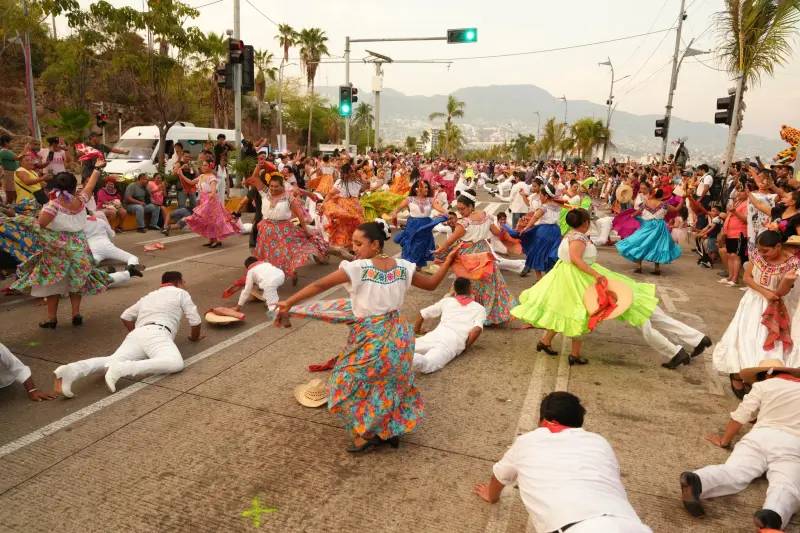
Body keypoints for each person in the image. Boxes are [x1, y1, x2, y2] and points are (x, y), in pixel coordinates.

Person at [275, 220, 459, 453]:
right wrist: (448, 263)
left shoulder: (357, 269)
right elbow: (432, 284)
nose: (354, 248)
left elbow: (320, 285)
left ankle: (367, 436)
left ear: (375, 244)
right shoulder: (403, 267)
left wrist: (289, 301)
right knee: (389, 384)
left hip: (373, 337)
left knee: (343, 382)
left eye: (358, 243)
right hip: (399, 335)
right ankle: (389, 430)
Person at [513, 209, 711, 367]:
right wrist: (596, 275)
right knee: (637, 310)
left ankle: (685, 346)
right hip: (584, 279)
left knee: (638, 310)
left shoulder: (569, 235)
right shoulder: (578, 238)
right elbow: (575, 259)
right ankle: (688, 344)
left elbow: (571, 260)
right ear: (584, 223)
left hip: (576, 279)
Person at [474, 391, 653, 533]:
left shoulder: (527, 441)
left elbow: (501, 476)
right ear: (578, 424)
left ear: (541, 420)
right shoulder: (599, 441)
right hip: (630, 524)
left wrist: (491, 495)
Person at [680, 359, 800, 531]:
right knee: (786, 483)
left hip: (758, 437)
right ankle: (773, 515)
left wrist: (724, 441)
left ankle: (698, 479)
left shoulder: (764, 386)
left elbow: (740, 416)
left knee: (735, 471)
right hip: (792, 443)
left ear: (767, 374)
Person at [53, 271, 203, 397]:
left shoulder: (149, 296)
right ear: (180, 283)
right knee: (175, 363)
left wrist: (138, 334)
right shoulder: (181, 293)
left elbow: (125, 316)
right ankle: (122, 368)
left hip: (138, 334)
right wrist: (194, 338)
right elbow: (195, 321)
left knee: (110, 360)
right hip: (158, 332)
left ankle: (73, 369)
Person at [11, 166, 114, 328]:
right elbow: (91, 185)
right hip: (79, 247)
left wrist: (17, 218)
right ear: (74, 187)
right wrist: (96, 168)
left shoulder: (52, 205)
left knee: (53, 283)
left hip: (57, 249)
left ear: (55, 187)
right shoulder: (81, 200)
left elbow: (41, 225)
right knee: (77, 281)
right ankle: (76, 314)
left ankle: (51, 318)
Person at [712, 230, 800, 399]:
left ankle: (762, 377)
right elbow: (747, 278)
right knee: (747, 338)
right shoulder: (758, 256)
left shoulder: (793, 263)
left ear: (778, 246)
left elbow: (783, 291)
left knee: (771, 344)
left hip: (780, 306)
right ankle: (737, 372)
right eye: (759, 250)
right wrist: (765, 292)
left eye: (765, 251)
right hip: (754, 302)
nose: (761, 254)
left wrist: (782, 286)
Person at [433, 189, 517, 325]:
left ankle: (465, 312)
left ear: (471, 206)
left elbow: (451, 240)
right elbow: (496, 231)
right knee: (487, 284)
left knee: (467, 283)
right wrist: (503, 230)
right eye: (458, 209)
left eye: (462, 209)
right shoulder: (486, 216)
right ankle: (487, 313)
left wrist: (441, 249)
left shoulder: (465, 223)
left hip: (469, 255)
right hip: (484, 252)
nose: (460, 212)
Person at [253, 174, 328, 285]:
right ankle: (266, 279)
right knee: (265, 256)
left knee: (284, 254)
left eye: (276, 186)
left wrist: (305, 229)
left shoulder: (288, 197)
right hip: (266, 231)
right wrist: (259, 165)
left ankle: (290, 273)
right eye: (272, 186)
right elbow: (255, 177)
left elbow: (299, 213)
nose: (273, 189)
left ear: (282, 186)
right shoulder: (266, 193)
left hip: (283, 230)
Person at [412, 277, 486, 374]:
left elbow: (423, 313)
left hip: (435, 335)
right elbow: (476, 330)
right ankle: (408, 359)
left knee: (407, 348)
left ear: (454, 289)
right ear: (470, 288)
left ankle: (394, 356)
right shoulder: (479, 308)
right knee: (429, 364)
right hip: (452, 343)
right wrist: (465, 346)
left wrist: (416, 330)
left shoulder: (446, 301)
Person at [616, 188, 684, 275]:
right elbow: (677, 209)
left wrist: (634, 217)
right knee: (658, 246)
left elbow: (635, 214)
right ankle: (657, 268)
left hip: (647, 227)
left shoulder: (645, 204)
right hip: (660, 228)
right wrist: (683, 198)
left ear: (652, 194)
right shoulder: (664, 205)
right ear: (661, 196)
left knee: (640, 243)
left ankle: (639, 267)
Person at [389, 180, 447, 270]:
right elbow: (399, 207)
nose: (427, 189)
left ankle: (419, 265)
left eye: (427, 187)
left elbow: (438, 207)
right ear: (417, 189)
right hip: (412, 225)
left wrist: (444, 212)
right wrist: (395, 213)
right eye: (424, 187)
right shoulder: (409, 199)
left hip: (425, 225)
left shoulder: (431, 200)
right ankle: (408, 263)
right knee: (411, 244)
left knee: (422, 245)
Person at [182, 161, 239, 248]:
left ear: (210, 167)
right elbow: (190, 182)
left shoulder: (212, 177)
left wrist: (208, 202)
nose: (203, 167)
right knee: (207, 220)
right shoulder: (201, 176)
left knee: (215, 220)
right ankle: (211, 239)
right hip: (204, 200)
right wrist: (181, 175)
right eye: (203, 165)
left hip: (211, 201)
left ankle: (217, 240)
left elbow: (213, 192)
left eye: (205, 165)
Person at [519, 183, 562, 279]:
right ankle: (548, 278)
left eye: (541, 195)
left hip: (544, 231)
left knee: (537, 253)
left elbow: (535, 217)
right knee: (550, 254)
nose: (540, 197)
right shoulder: (558, 206)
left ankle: (539, 279)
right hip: (556, 231)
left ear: (546, 196)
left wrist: (526, 228)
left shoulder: (544, 207)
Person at [720, 188, 749, 287]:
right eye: (739, 191)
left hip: (739, 233)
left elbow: (746, 219)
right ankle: (730, 276)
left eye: (742, 191)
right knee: (729, 255)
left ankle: (735, 278)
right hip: (729, 232)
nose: (739, 193)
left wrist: (735, 212)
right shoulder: (737, 202)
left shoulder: (747, 203)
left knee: (735, 256)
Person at [0, 135, 19, 203]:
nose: (12, 144)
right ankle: (6, 211)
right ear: (6, 143)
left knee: (12, 197)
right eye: (11, 142)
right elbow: (18, 158)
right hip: (8, 175)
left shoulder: (6, 151)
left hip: (11, 175)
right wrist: (25, 150)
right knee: (11, 197)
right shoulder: (4, 151)